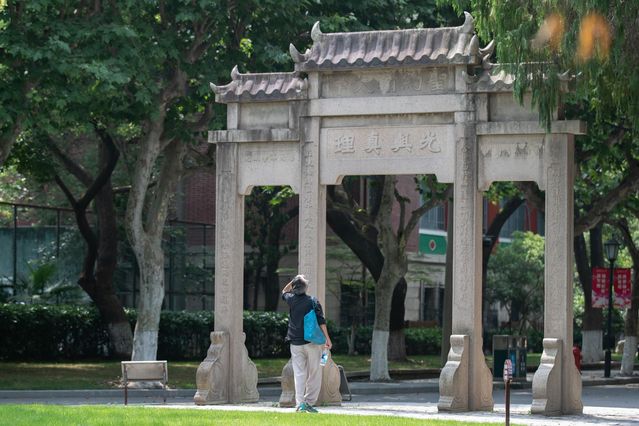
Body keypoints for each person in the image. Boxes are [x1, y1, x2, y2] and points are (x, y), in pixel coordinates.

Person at [282, 274, 332, 413]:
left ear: (294, 287)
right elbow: (321, 321)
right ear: (306, 287)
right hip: (312, 342)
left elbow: (284, 291)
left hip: (295, 343)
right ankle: (309, 402)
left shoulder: (290, 299)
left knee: (299, 374)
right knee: (315, 372)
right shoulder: (313, 301)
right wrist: (327, 339)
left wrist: (294, 280)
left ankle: (299, 404)